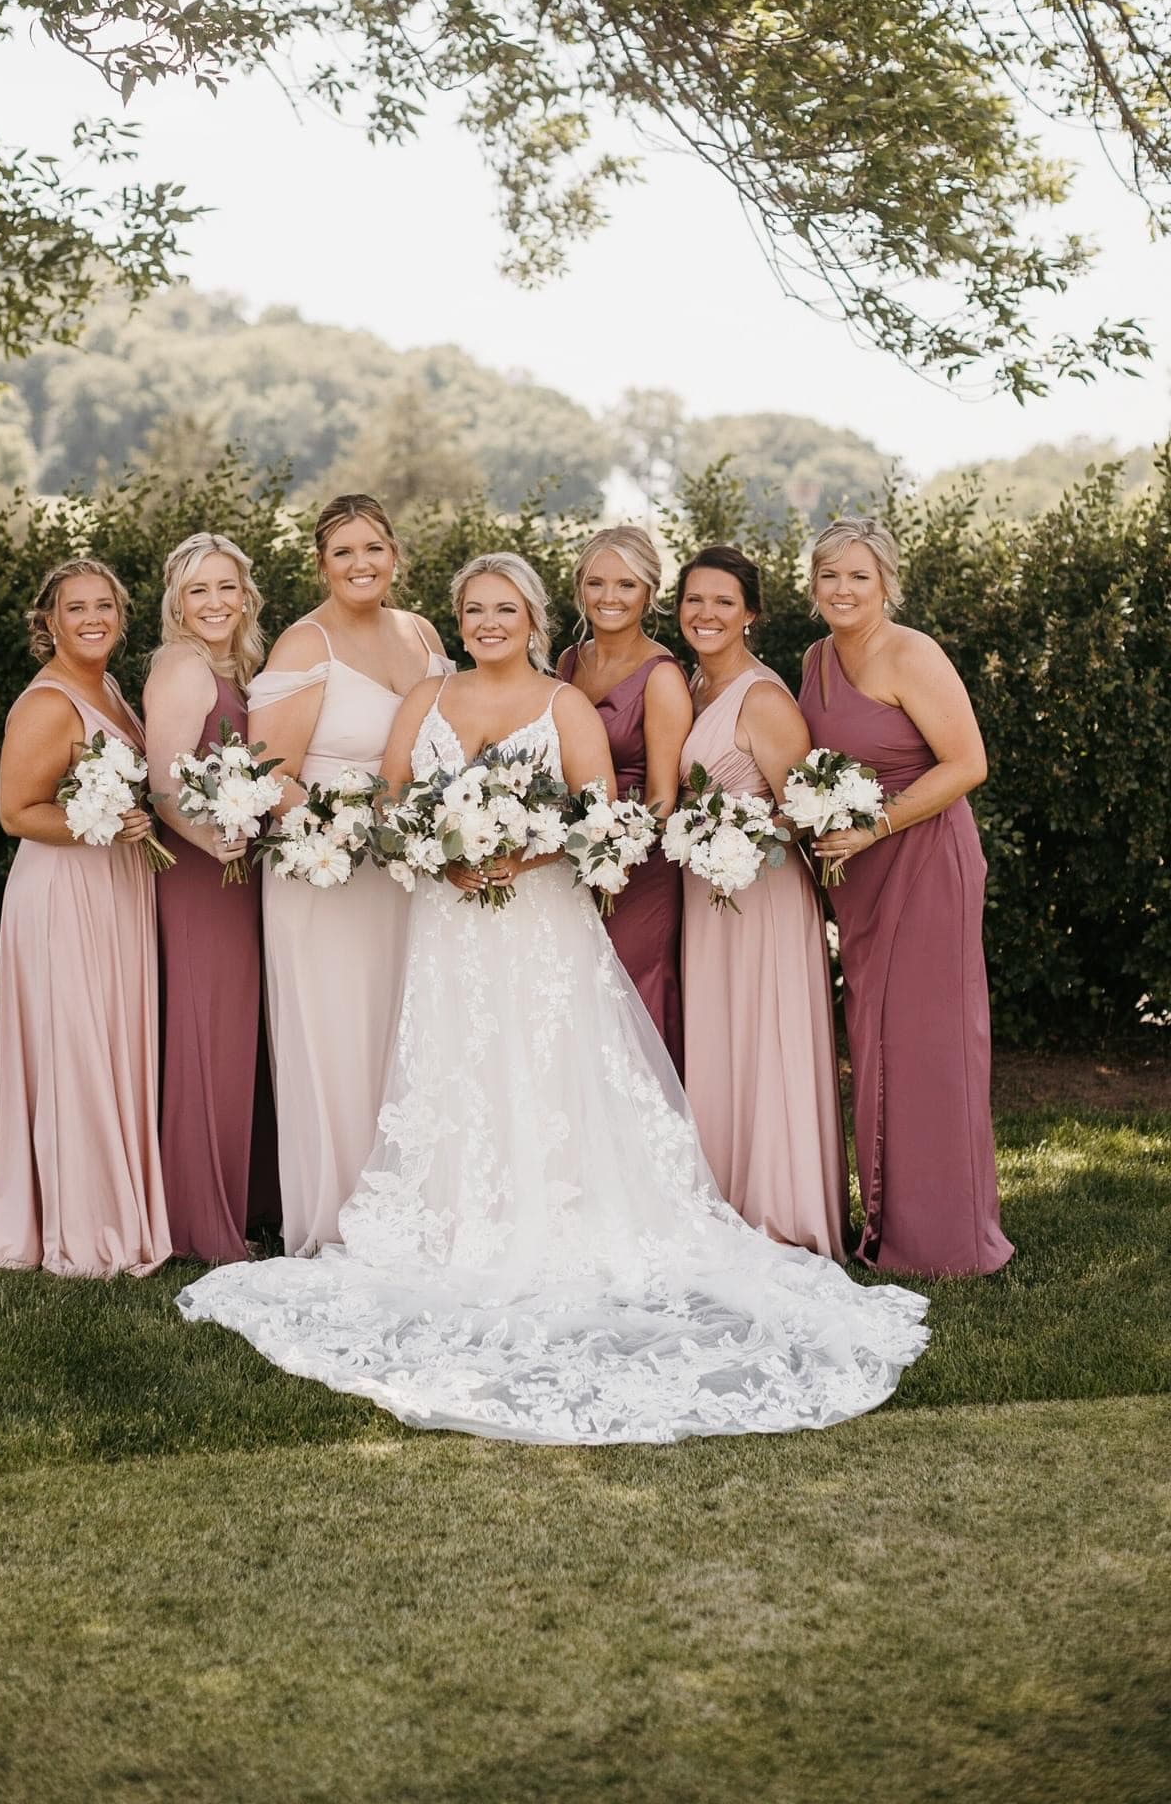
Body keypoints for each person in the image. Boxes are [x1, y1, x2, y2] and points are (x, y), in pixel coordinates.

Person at [177, 552, 929, 1445]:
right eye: (473, 610)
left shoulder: (564, 703)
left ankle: (563, 1213)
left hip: (540, 922)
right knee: (456, 1064)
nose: (488, 623)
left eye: (504, 609)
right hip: (449, 926)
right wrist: (437, 846)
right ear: (457, 621)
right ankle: (456, 1214)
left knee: (545, 1062)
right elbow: (388, 801)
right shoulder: (426, 701)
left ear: (534, 618)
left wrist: (526, 850)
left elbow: (597, 813)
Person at [798, 518, 1012, 1277]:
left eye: (859, 575)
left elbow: (967, 763)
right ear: (813, 584)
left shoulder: (911, 653)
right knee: (877, 1040)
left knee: (932, 1045)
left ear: (886, 581)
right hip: (860, 873)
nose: (844, 589)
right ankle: (888, 1226)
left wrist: (875, 825)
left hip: (923, 859)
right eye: (830, 576)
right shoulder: (817, 658)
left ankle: (948, 1240)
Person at [247, 493, 452, 1255]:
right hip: (327, 873)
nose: (361, 564)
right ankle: (339, 1215)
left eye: (374, 548)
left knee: (409, 1030)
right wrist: (345, 831)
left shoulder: (424, 633)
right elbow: (270, 771)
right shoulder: (306, 645)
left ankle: (412, 1204)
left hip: (411, 874)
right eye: (344, 553)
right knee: (338, 1035)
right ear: (322, 564)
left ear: (395, 554)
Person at [0, 559, 171, 1278]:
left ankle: (117, 1203)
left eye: (105, 606)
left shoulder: (110, 688)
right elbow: (16, 813)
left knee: (111, 1043)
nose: (93, 619)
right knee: (77, 1050)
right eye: (75, 609)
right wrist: (98, 822)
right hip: (64, 894)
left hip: (116, 885)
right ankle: (85, 1229)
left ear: (120, 615)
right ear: (48, 622)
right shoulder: (48, 702)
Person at [676, 546, 850, 1259]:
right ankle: (720, 1199)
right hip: (705, 894)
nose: (706, 614)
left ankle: (781, 1213)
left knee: (764, 1037)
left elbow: (808, 813)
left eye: (723, 601)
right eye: (694, 600)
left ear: (751, 613)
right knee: (719, 1040)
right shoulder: (691, 685)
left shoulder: (763, 698)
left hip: (764, 896)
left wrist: (740, 832)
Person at [143, 532, 279, 1264]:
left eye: (226, 587)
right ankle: (201, 1224)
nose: (215, 603)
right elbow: (165, 785)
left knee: (240, 1034)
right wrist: (211, 840)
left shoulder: (243, 664)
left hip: (242, 871)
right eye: (199, 591)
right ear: (178, 602)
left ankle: (249, 1199)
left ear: (245, 594)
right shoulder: (180, 664)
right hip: (202, 874)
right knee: (206, 1036)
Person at [557, 525, 690, 1068]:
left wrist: (612, 851)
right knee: (577, 996)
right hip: (567, 859)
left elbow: (663, 798)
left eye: (626, 585)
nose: (609, 598)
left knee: (632, 994)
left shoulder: (662, 678)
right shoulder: (566, 663)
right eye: (596, 583)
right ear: (580, 589)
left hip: (637, 866)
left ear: (649, 593)